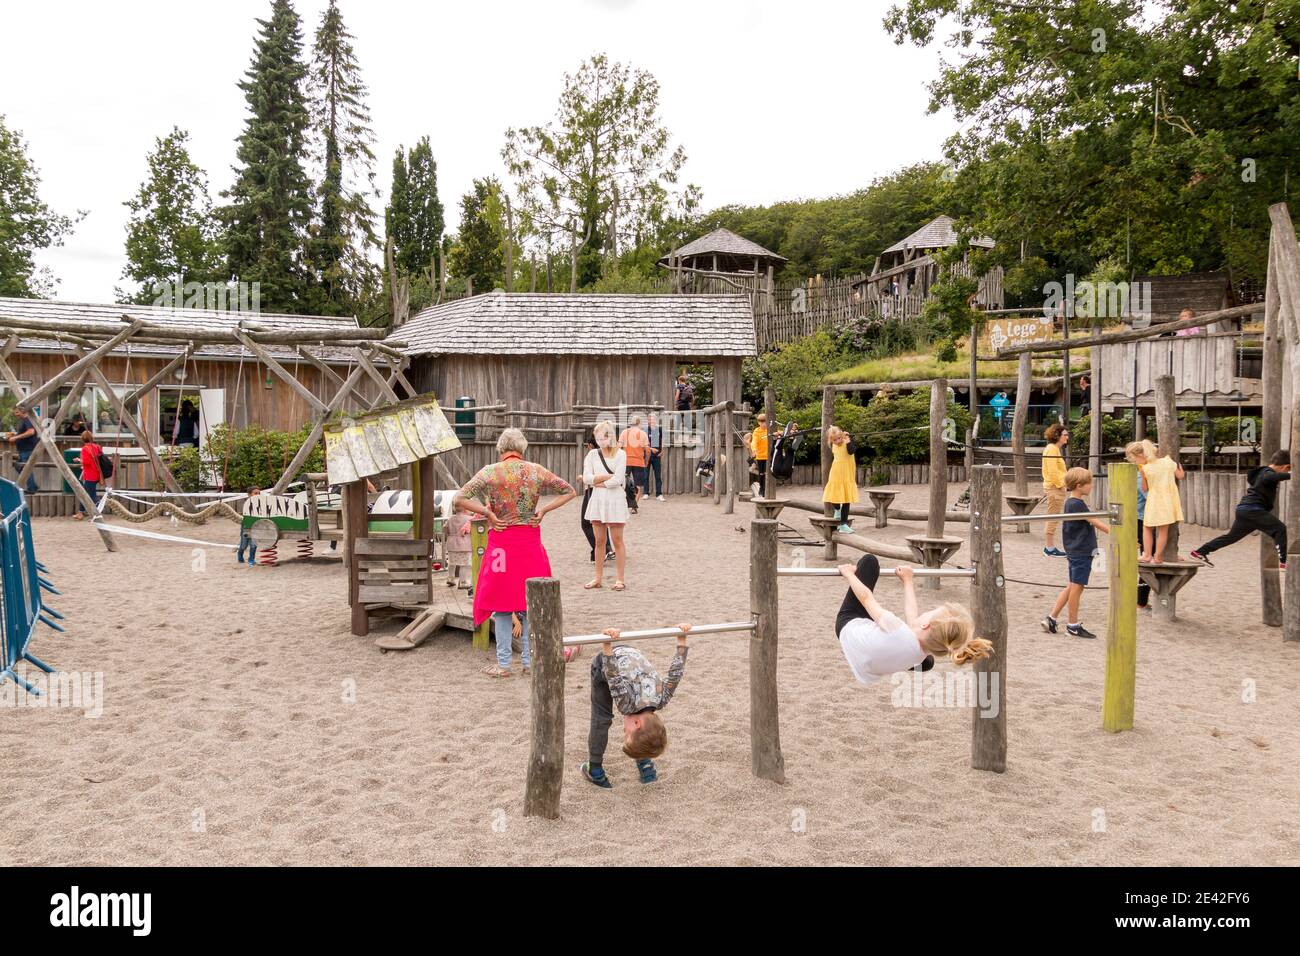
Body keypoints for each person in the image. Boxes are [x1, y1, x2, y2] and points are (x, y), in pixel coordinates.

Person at [454, 428, 577, 677]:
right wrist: (543, 511)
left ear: (501, 449)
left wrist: (488, 513)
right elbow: (570, 491)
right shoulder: (536, 471)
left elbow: (459, 499)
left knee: (501, 604)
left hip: (502, 543)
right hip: (529, 542)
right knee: (530, 602)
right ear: (522, 448)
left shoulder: (490, 472)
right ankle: (529, 662)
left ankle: (503, 664)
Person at [835, 557, 989, 684]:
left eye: (928, 613)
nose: (923, 614)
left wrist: (849, 574)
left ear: (925, 624)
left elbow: (866, 598)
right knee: (927, 663)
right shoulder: (924, 651)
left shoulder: (895, 627)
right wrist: (908, 581)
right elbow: (912, 618)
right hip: (870, 667)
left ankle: (865, 566)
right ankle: (893, 659)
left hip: (848, 626)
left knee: (870, 562)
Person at [580, 623, 692, 788]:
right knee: (601, 716)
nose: (624, 730)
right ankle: (596, 770)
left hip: (630, 653)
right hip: (605, 662)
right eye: (626, 733)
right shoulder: (626, 705)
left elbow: (676, 673)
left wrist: (681, 638)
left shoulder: (662, 699)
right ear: (637, 723)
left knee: (606, 720)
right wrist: (606, 644)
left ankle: (599, 770)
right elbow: (612, 676)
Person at [1041, 467, 1111, 639]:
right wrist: (1123, 535)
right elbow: (1096, 522)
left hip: (1075, 549)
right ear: (1079, 485)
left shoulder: (1070, 502)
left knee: (1072, 585)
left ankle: (1052, 618)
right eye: (1089, 484)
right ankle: (1072, 625)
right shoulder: (1077, 504)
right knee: (1077, 588)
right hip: (1081, 551)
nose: (1091, 486)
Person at [1191, 450, 1291, 570]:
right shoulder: (1267, 473)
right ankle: (1284, 563)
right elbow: (1269, 478)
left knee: (1231, 537)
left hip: (1244, 510)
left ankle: (1200, 552)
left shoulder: (1261, 472)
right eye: (1287, 470)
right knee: (1279, 529)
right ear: (1286, 467)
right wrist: (1292, 475)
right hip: (1253, 510)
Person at [582, 420, 629, 591]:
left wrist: (598, 481)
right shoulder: (592, 455)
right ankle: (598, 578)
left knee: (617, 540)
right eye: (598, 438)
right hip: (598, 500)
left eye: (603, 437)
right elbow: (586, 477)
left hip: (615, 500)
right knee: (599, 541)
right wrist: (602, 479)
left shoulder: (621, 454)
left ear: (610, 436)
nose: (600, 441)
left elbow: (618, 480)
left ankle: (620, 579)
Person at [1138, 439, 1185, 563]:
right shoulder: (1168, 462)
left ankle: (1147, 554)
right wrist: (1181, 468)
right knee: (1163, 531)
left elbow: (1145, 488)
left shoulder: (1145, 468)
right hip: (1169, 500)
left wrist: (1143, 475)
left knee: (1147, 527)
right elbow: (1180, 476)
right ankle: (1158, 557)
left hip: (1154, 500)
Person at [1123, 442, 1153, 611]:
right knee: (1148, 558)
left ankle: (1141, 599)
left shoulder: (1143, 472)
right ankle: (1140, 600)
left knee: (1148, 556)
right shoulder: (1142, 474)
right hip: (1142, 519)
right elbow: (1150, 496)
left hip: (1141, 518)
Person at [576, 430, 614, 563]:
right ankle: (607, 549)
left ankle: (602, 550)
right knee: (602, 521)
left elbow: (589, 478)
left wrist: (584, 478)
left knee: (586, 523)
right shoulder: (611, 454)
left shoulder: (592, 456)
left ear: (591, 445)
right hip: (607, 491)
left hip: (593, 491)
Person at [822, 425, 859, 533]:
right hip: (836, 473)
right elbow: (833, 434)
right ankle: (837, 509)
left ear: (842, 436)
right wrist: (841, 436)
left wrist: (847, 440)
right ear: (831, 440)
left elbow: (851, 451)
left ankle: (843, 525)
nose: (837, 441)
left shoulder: (847, 443)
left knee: (846, 500)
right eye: (834, 440)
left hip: (848, 473)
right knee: (834, 496)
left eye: (839, 438)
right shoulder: (833, 446)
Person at [1041, 422, 1070, 557]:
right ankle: (1049, 547)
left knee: (1053, 516)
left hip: (1055, 487)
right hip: (1054, 488)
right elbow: (1053, 471)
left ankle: (1050, 546)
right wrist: (1061, 485)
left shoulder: (1054, 449)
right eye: (1065, 435)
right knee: (1053, 516)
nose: (1067, 437)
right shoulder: (1052, 449)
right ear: (1058, 435)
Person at [619, 415, 650, 512]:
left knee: (623, 484)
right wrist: (646, 461)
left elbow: (618, 447)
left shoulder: (624, 432)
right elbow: (647, 450)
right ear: (639, 423)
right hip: (638, 462)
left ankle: (623, 505)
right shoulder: (643, 434)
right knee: (638, 486)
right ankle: (634, 506)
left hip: (626, 461)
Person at [74, 429, 104, 520]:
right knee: (85, 493)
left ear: (82, 439)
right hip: (97, 473)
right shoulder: (97, 447)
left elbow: (86, 462)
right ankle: (80, 512)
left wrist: (79, 460)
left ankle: (99, 512)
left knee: (91, 495)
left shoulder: (85, 449)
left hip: (89, 475)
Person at [748, 412, 770, 498]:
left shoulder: (770, 430)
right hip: (761, 456)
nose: (763, 424)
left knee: (768, 473)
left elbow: (777, 434)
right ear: (759, 423)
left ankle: (768, 489)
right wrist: (754, 449)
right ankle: (762, 489)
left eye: (765, 422)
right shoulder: (757, 431)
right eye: (761, 422)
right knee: (761, 473)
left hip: (769, 456)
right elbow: (754, 442)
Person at [237, 487, 261, 566]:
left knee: (253, 544)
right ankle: (240, 555)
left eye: (259, 493)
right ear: (249, 494)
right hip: (246, 526)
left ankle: (251, 560)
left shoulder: (261, 504)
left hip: (256, 526)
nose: (258, 495)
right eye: (255, 493)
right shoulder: (246, 504)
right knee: (244, 544)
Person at [646, 412, 665, 501]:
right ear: (648, 420)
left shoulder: (659, 429)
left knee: (658, 476)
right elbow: (643, 444)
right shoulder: (645, 430)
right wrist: (650, 449)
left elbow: (663, 440)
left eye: (653, 419)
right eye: (650, 419)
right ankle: (646, 493)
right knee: (646, 475)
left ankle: (659, 494)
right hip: (647, 455)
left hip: (657, 456)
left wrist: (663, 451)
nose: (652, 421)